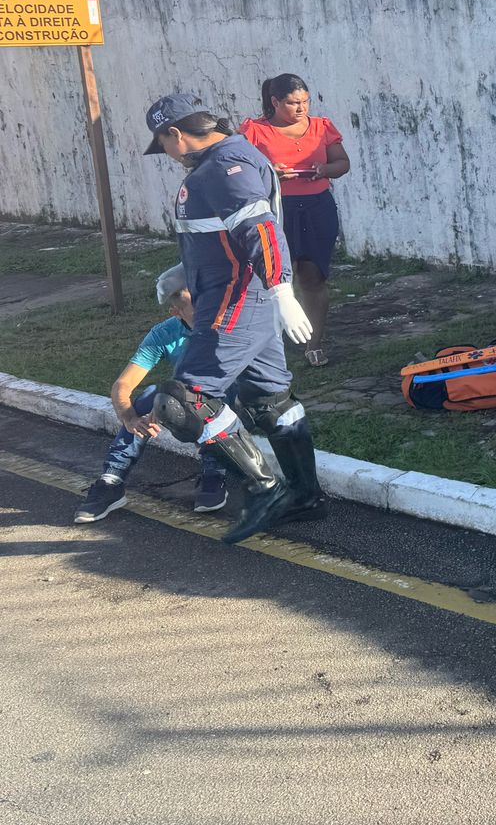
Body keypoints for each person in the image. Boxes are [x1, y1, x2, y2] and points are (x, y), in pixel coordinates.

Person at [140, 93, 326, 544]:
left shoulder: (225, 167)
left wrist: (283, 289)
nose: (165, 154)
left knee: (186, 401)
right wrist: (184, 272)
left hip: (236, 302)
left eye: (163, 144)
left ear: (176, 134)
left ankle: (265, 491)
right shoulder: (224, 162)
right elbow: (221, 237)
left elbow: (258, 228)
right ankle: (304, 496)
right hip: (242, 296)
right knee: (270, 399)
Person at [73, 265, 230, 522]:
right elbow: (122, 386)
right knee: (150, 396)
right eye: (196, 309)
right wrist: (130, 419)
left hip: (230, 397)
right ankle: (112, 480)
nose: (209, 313)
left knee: (218, 394)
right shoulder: (164, 334)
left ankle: (214, 470)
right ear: (176, 312)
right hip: (191, 397)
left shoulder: (229, 322)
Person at [240, 74, 350, 367]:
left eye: (305, 101)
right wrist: (268, 173)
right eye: (292, 103)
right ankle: (270, 343)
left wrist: (324, 168)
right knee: (273, 276)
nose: (301, 108)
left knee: (313, 275)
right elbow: (237, 169)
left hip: (316, 207)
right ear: (275, 102)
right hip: (276, 209)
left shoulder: (321, 126)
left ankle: (314, 343)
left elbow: (343, 163)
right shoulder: (254, 131)